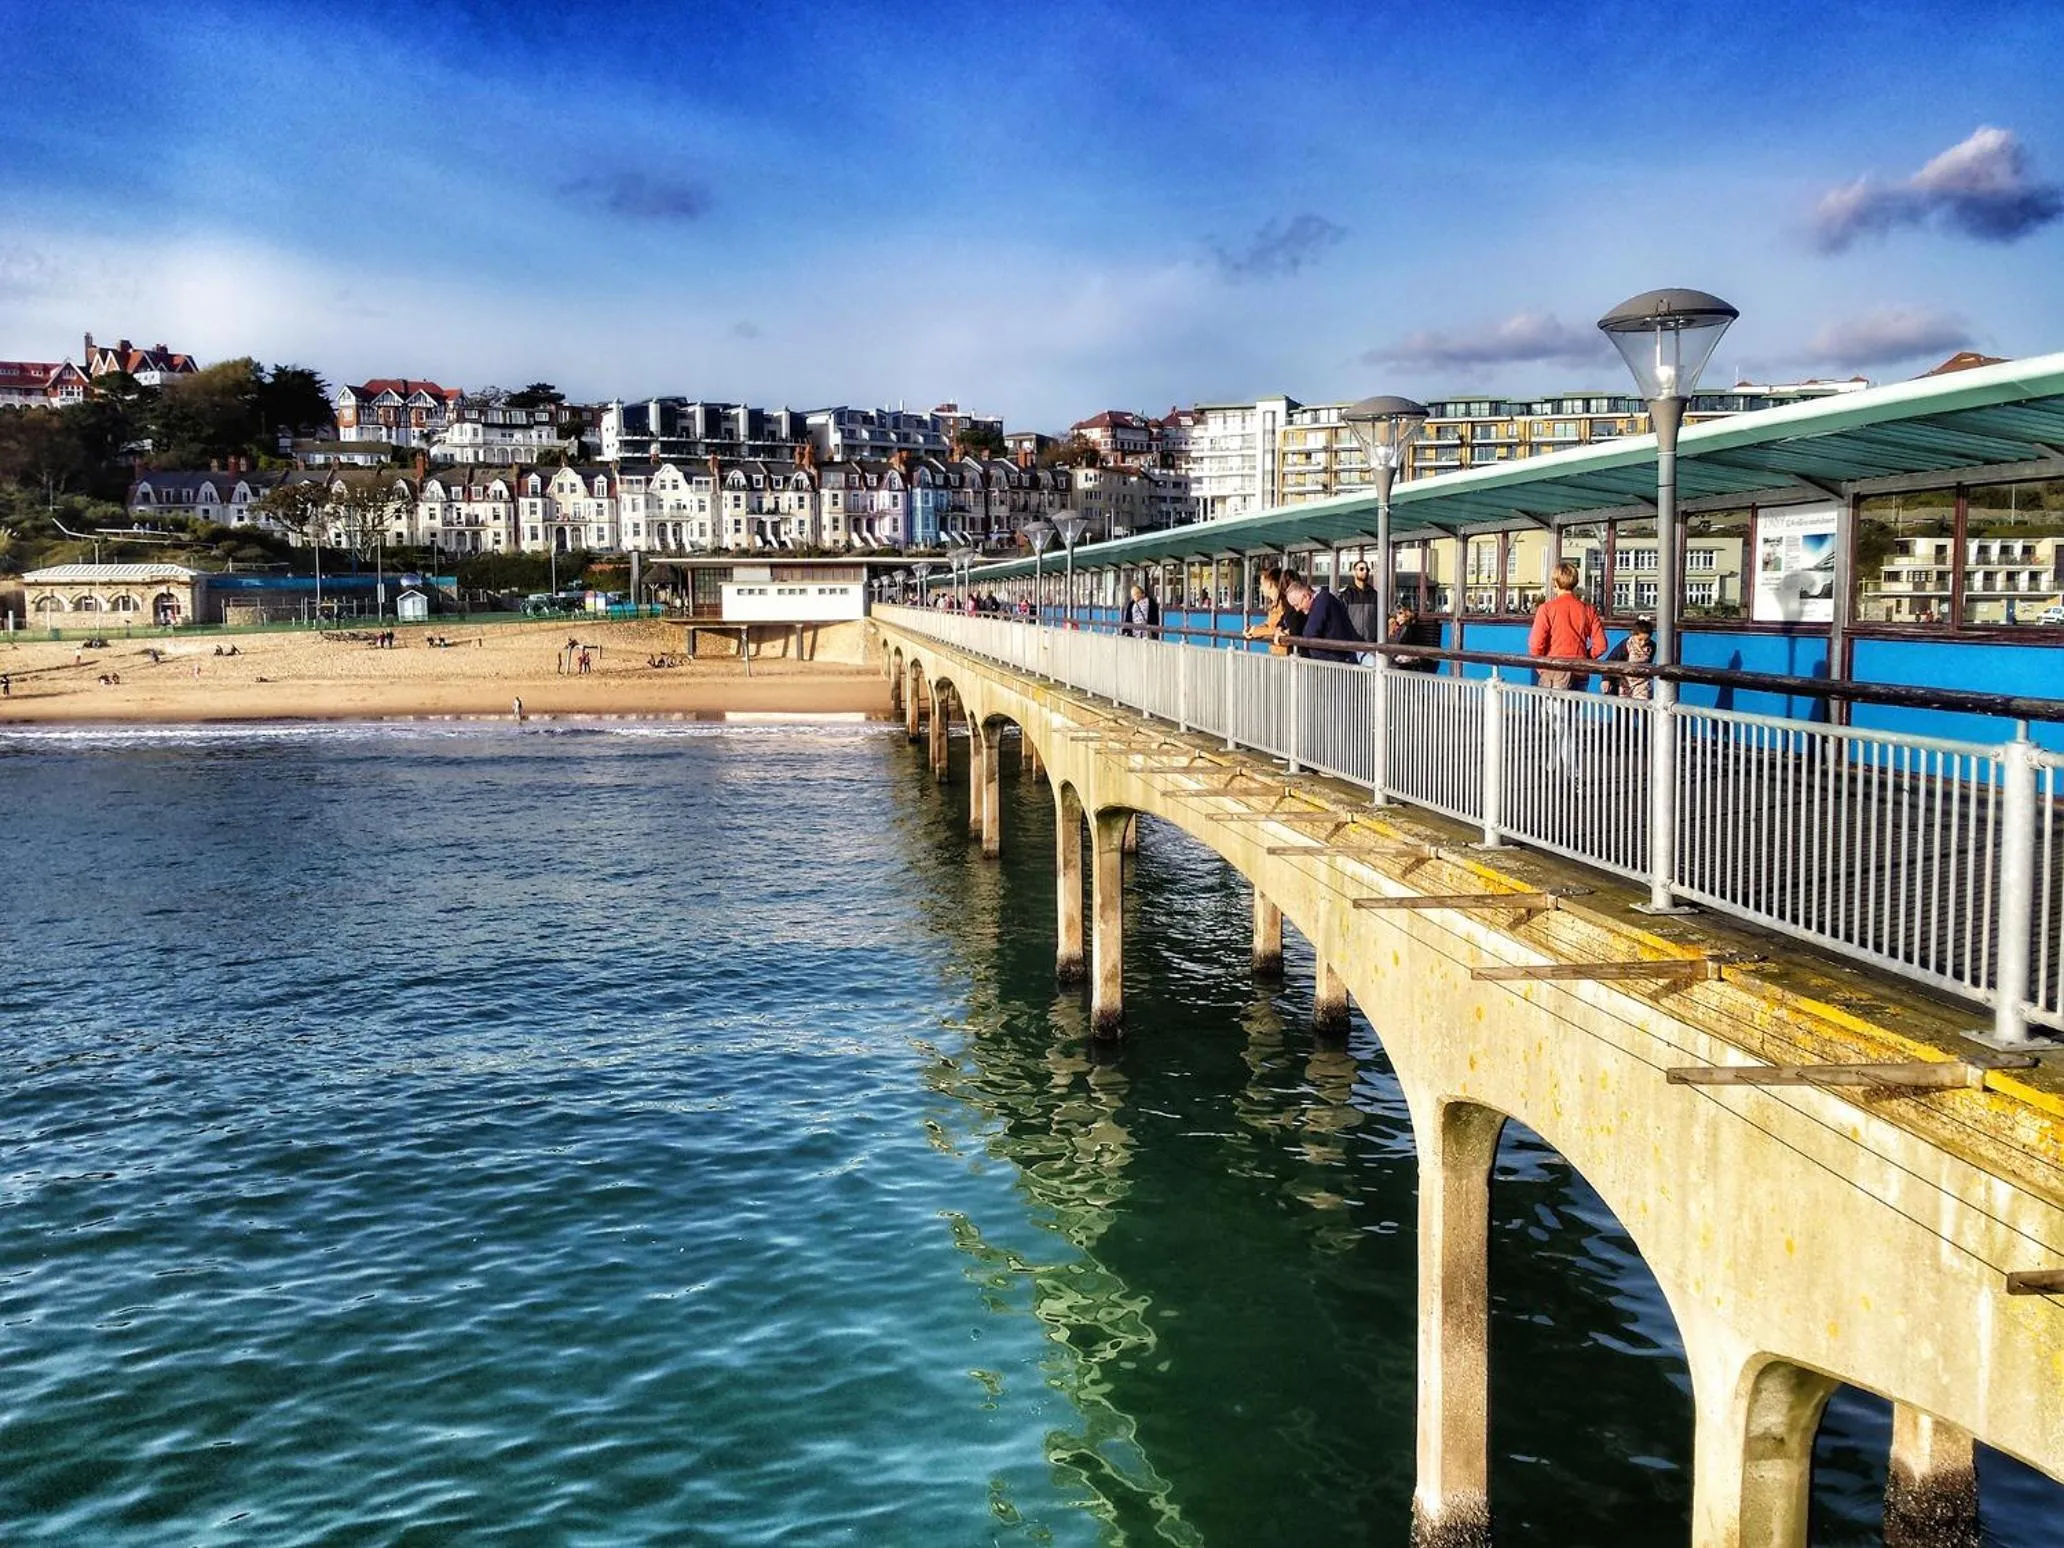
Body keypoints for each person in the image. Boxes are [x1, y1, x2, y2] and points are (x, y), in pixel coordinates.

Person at [1527, 561, 1607, 691]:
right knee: (1571, 710)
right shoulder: (1588, 610)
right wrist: (1584, 658)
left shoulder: (1546, 609)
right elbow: (1601, 645)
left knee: (1551, 711)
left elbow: (1535, 644)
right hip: (1579, 670)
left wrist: (1542, 668)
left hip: (1553, 670)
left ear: (1556, 583)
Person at [1275, 572, 1361, 660]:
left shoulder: (1322, 600)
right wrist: (1280, 628)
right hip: (1334, 660)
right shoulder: (1320, 601)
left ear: (1306, 596)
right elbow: (1287, 618)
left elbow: (1309, 633)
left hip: (1339, 660)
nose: (1297, 609)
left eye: (1297, 605)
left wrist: (1288, 633)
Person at [1243, 567, 1303, 656]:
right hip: (1277, 651)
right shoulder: (1275, 604)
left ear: (1270, 584)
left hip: (1285, 653)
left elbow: (1279, 628)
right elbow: (1270, 624)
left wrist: (1255, 631)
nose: (1260, 588)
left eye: (1262, 584)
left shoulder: (1283, 603)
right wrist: (1251, 629)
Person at [1599, 617, 1656, 699]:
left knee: (1641, 707)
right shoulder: (1625, 645)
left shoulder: (1651, 646)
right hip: (1624, 683)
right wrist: (1606, 679)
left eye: (1646, 640)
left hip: (1642, 684)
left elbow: (1649, 663)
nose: (1643, 643)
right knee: (1623, 707)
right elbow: (1611, 660)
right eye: (1640, 639)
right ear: (1633, 634)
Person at [1337, 558, 1383, 655]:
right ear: (1354, 572)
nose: (1365, 571)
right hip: (1351, 645)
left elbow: (1380, 619)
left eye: (1367, 569)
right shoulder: (1346, 595)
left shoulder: (1375, 595)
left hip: (1371, 645)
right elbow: (1340, 620)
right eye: (1361, 569)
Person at [1388, 605, 1435, 672]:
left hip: (1400, 655)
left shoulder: (1406, 629)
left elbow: (1398, 643)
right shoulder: (1397, 626)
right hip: (1395, 654)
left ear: (1405, 617)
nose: (1397, 614)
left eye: (1400, 613)